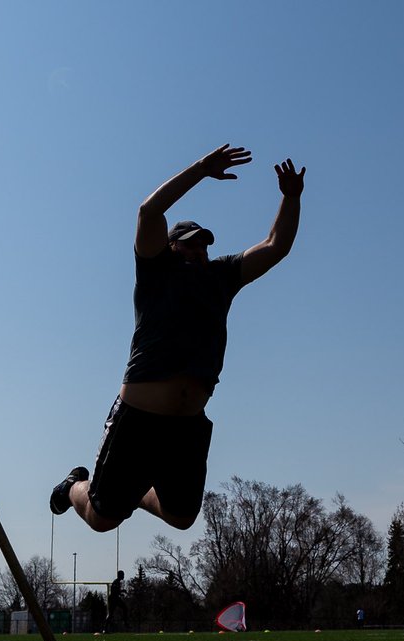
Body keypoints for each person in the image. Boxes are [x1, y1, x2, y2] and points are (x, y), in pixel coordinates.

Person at [50, 144, 304, 532]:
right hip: (139, 418)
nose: (201, 249)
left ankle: (135, 494)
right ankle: (73, 486)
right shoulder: (156, 271)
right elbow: (148, 212)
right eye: (191, 242)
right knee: (102, 519)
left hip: (187, 424)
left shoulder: (222, 277)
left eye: (205, 244)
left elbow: (275, 246)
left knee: (182, 517)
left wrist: (291, 198)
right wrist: (201, 169)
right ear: (171, 246)